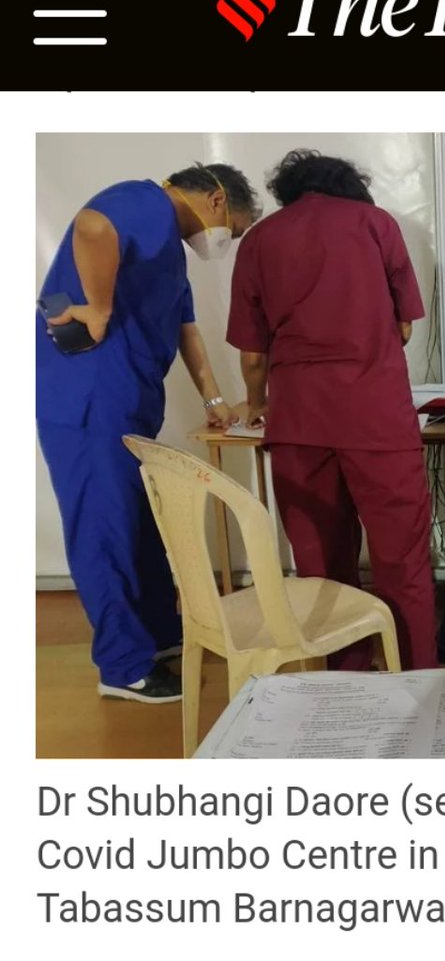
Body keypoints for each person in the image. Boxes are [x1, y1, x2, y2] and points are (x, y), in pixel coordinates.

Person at [37, 163, 260, 702]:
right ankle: (123, 667)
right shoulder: (145, 202)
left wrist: (212, 397)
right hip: (90, 399)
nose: (230, 239)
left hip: (128, 402)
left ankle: (160, 636)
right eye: (238, 226)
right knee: (104, 529)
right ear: (214, 199)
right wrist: (99, 309)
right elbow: (92, 226)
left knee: (139, 521)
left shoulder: (167, 253)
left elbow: (186, 327)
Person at [226, 150, 436, 670]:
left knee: (322, 567)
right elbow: (406, 326)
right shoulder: (376, 225)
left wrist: (257, 403)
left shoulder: (260, 239)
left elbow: (253, 355)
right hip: (377, 419)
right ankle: (416, 678)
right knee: (402, 562)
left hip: (299, 423)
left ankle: (348, 682)